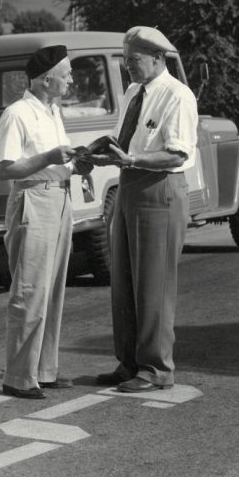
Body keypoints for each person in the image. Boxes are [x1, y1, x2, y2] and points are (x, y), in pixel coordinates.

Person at [95, 26, 198, 393]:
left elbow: (177, 152)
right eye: (125, 59)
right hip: (129, 185)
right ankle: (130, 362)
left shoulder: (177, 96)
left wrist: (134, 158)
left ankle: (156, 368)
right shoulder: (133, 92)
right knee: (123, 280)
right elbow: (124, 140)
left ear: (157, 58)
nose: (128, 67)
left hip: (159, 189)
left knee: (154, 282)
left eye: (133, 60)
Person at [0, 44, 92, 399]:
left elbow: (55, 160)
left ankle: (44, 370)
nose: (70, 79)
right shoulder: (17, 114)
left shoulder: (53, 112)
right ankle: (18, 377)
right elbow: (6, 170)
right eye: (65, 74)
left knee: (52, 289)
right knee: (30, 290)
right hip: (34, 199)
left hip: (60, 197)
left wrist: (75, 165)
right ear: (46, 79)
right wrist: (48, 157)